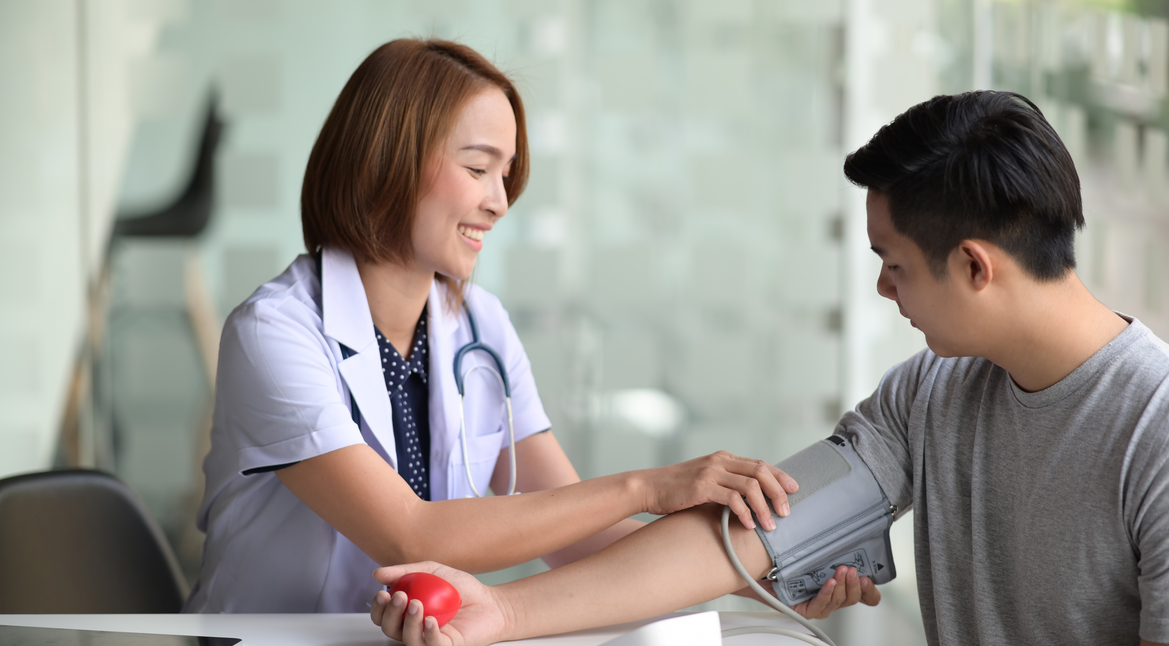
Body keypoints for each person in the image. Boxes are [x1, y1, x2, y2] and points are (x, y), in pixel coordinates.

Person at [370, 91, 1169, 646]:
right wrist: (502, 612)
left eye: (895, 264)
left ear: (974, 266)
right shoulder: (932, 394)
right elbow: (746, 536)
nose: (883, 289)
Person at [184, 39, 871, 614]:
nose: (500, 201)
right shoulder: (274, 333)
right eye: (478, 167)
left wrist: (766, 577)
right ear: (385, 161)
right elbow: (409, 534)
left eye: (507, 174)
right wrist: (650, 487)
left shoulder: (479, 326)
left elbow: (578, 540)